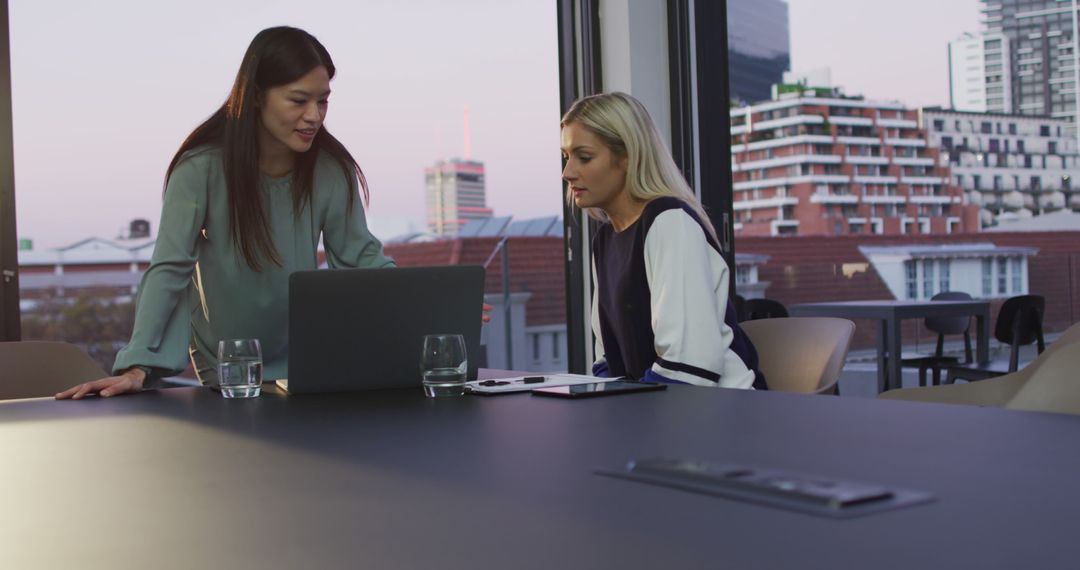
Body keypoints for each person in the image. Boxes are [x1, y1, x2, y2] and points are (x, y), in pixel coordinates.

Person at [57, 26, 397, 399]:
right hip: (229, 364)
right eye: (298, 100)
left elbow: (361, 257)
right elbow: (170, 267)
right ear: (255, 96)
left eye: (323, 101)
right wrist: (138, 364)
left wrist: (421, 311)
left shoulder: (331, 169)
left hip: (306, 360)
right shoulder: (199, 168)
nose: (314, 116)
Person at [560, 92, 764, 389]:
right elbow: (607, 360)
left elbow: (689, 367)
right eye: (567, 157)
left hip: (722, 413)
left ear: (627, 156)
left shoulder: (670, 223)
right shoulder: (604, 240)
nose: (567, 173)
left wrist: (623, 412)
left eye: (584, 157)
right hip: (659, 408)